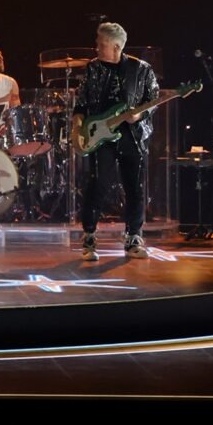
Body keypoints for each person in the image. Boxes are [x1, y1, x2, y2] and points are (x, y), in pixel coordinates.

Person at [72, 22, 159, 261]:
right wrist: (77, 128)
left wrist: (139, 115)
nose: (97, 47)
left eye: (101, 44)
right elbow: (81, 103)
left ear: (117, 47)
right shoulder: (93, 68)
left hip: (132, 136)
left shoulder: (141, 69)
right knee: (98, 184)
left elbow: (153, 99)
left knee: (135, 187)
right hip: (101, 135)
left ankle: (133, 237)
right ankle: (89, 236)